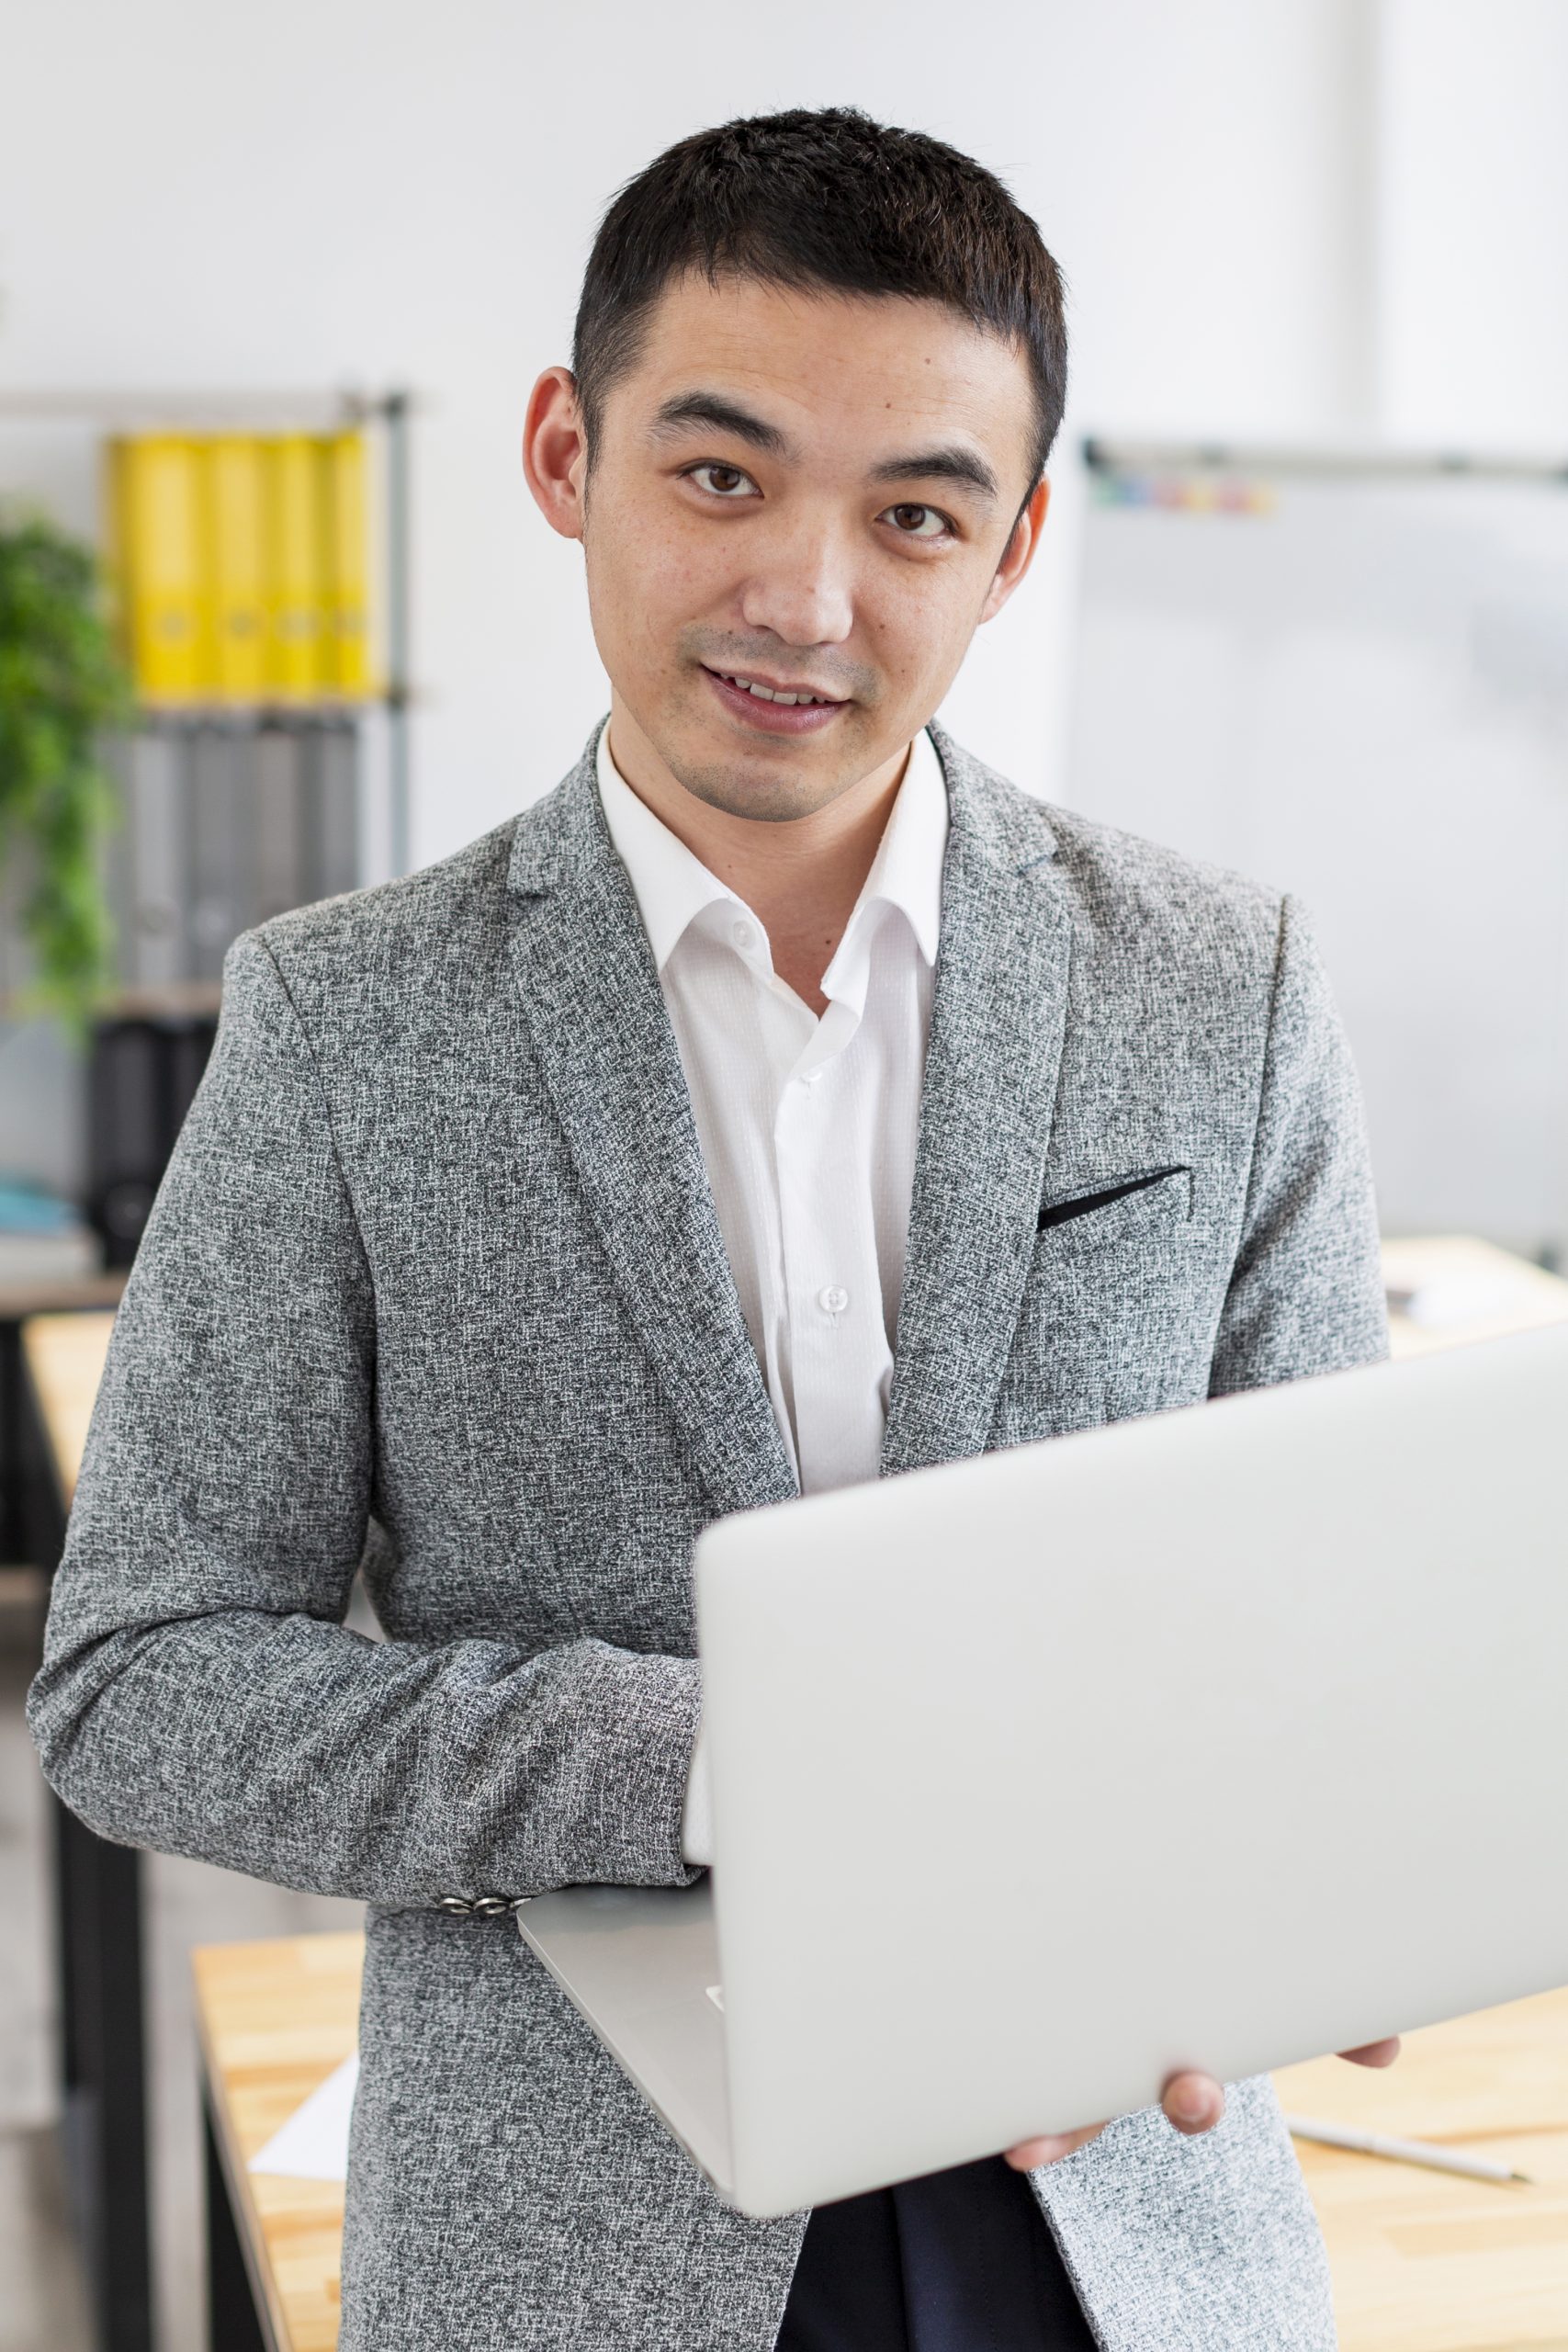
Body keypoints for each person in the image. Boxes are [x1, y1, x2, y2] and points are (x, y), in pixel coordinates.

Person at [31, 107, 1399, 2351]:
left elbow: (1318, 1615)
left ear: (1016, 543)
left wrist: (1289, 1902)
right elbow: (139, 1683)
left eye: (915, 514)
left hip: (1112, 2211)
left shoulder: (1213, 983)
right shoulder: (350, 1019)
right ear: (567, 450)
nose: (804, 597)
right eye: (718, 472)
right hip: (583, 2232)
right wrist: (706, 1760)